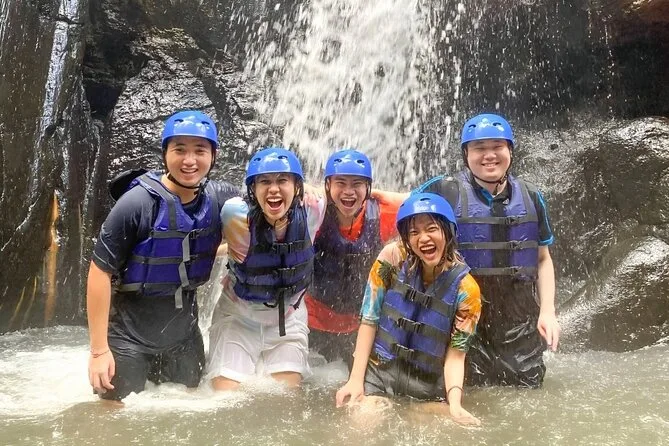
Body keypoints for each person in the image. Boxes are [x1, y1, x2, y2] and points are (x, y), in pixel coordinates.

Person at [86, 110, 240, 401]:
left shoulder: (221, 198)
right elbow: (99, 271)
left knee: (189, 410)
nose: (189, 160)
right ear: (165, 154)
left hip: (183, 337)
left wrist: (304, 189)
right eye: (179, 150)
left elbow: (265, 200)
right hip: (129, 337)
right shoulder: (137, 203)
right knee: (114, 416)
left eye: (200, 151)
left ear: (213, 156)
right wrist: (98, 351)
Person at [416, 113, 560, 388]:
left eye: (497, 147)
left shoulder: (531, 196)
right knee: (469, 394)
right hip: (462, 316)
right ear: (466, 154)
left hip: (519, 320)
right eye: (480, 148)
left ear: (510, 151)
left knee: (528, 392)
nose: (489, 155)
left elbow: (543, 259)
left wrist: (548, 312)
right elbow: (406, 215)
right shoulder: (444, 190)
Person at [335, 193, 482, 425]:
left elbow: (456, 355)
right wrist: (355, 380)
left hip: (425, 390)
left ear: (448, 232)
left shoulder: (467, 290)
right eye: (414, 233)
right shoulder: (391, 258)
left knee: (461, 426)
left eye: (432, 229)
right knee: (360, 425)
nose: (423, 238)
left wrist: (455, 403)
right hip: (379, 378)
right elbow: (369, 319)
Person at [207, 147, 327, 390]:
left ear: (297, 187)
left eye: (282, 181)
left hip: (288, 317)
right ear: (253, 189)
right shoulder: (236, 215)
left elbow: (337, 192)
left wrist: (308, 186)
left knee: (286, 399)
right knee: (225, 398)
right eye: (265, 182)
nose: (273, 189)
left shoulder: (314, 209)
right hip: (238, 316)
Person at [305, 149, 405, 364]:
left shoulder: (383, 213)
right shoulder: (315, 210)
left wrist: (388, 195)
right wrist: (304, 187)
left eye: (357, 184)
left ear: (368, 187)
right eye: (340, 183)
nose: (348, 191)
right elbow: (283, 192)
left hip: (360, 326)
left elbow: (429, 197)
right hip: (311, 321)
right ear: (327, 185)